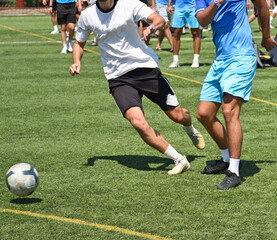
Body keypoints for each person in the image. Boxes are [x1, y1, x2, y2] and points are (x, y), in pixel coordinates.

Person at [69, 0, 205, 175]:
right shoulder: (88, 15)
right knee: (138, 123)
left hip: (145, 68)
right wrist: (76, 62)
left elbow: (159, 19)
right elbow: (79, 43)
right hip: (117, 77)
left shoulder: (129, 4)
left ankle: (190, 128)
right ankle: (179, 159)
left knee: (178, 116)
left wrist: (151, 28)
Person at [195, 0, 277, 189]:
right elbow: (202, 20)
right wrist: (216, 2)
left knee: (229, 111)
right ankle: (225, 158)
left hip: (242, 57)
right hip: (220, 60)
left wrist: (266, 35)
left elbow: (262, 5)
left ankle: (234, 171)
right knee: (204, 114)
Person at [168, 0, 201, 68]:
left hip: (192, 7)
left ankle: (196, 60)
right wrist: (169, 5)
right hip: (178, 8)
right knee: (176, 33)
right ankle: (175, 61)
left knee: (195, 33)